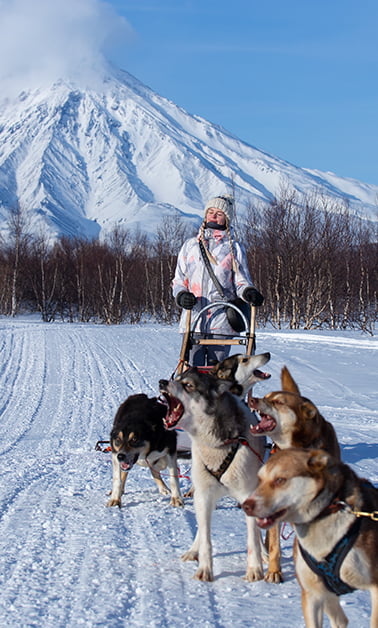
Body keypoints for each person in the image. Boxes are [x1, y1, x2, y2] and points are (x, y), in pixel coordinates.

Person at [172, 194, 264, 366]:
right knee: (192, 372)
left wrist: (248, 292)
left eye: (219, 213)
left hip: (222, 320)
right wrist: (181, 295)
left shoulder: (234, 248)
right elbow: (179, 281)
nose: (213, 216)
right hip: (194, 320)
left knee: (218, 373)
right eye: (211, 212)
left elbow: (241, 281)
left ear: (226, 219)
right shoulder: (190, 246)